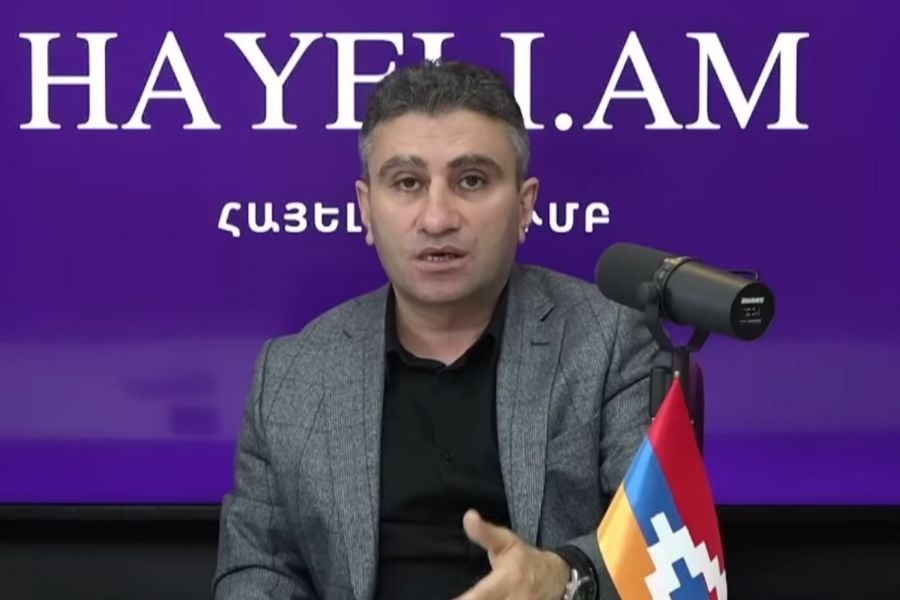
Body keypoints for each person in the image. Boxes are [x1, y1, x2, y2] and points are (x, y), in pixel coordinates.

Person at [213, 60, 663, 600]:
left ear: (524, 205)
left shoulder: (612, 342)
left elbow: (660, 544)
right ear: (366, 209)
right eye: (407, 183)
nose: (437, 218)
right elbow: (257, 570)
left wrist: (563, 577)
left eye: (471, 181)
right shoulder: (292, 374)